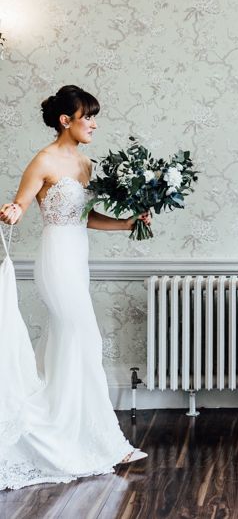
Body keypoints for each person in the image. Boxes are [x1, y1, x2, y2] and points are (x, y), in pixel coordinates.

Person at [0, 85, 151, 491]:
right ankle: (105, 441)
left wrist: (127, 223)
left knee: (73, 345)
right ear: (67, 120)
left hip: (77, 256)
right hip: (55, 259)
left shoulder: (85, 165)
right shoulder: (43, 160)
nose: (94, 124)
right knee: (84, 338)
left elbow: (84, 216)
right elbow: (22, 204)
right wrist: (13, 211)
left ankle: (80, 434)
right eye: (88, 117)